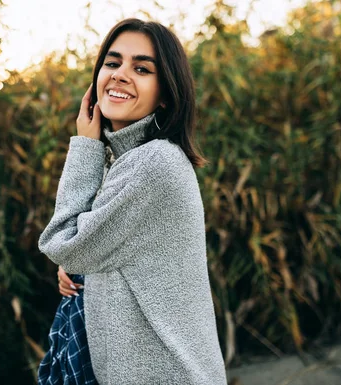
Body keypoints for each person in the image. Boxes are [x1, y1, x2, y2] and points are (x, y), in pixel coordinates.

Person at [38, 18, 227, 384]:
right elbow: (101, 249)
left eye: (141, 68)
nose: (121, 74)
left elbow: (62, 241)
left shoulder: (153, 164)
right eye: (112, 63)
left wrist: (86, 146)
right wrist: (83, 266)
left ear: (167, 93)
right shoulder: (130, 159)